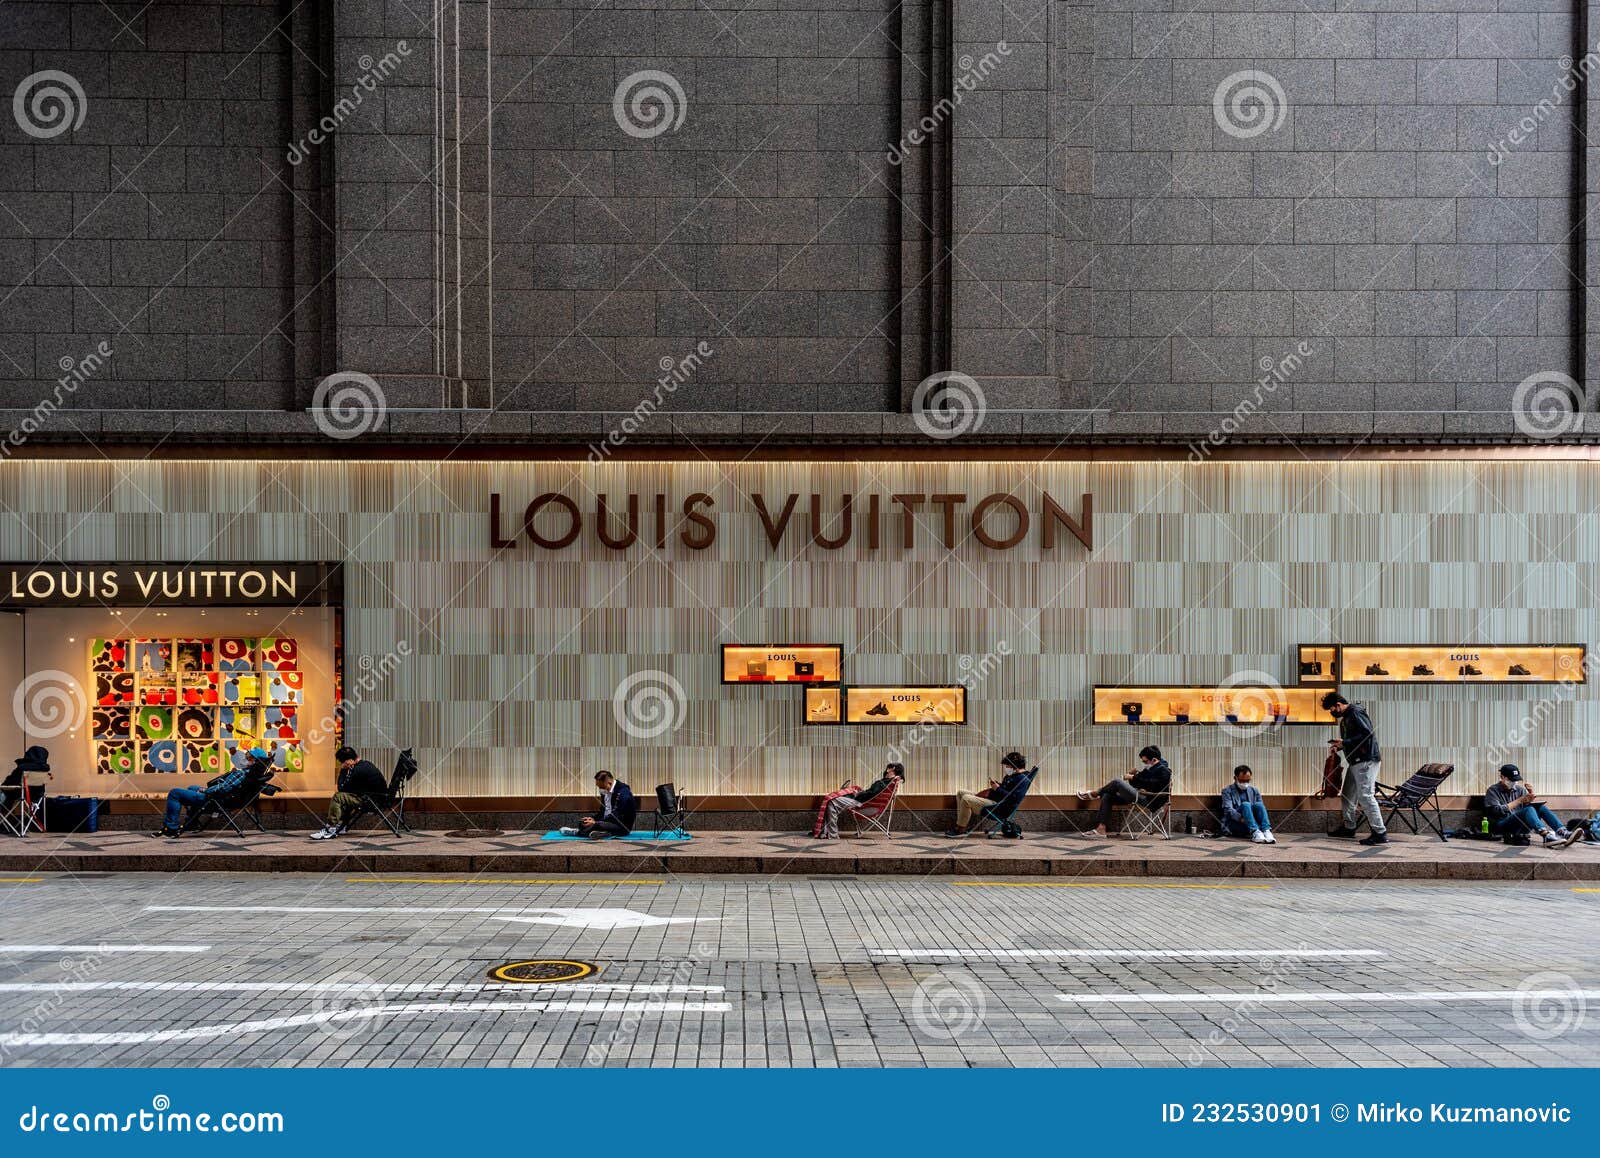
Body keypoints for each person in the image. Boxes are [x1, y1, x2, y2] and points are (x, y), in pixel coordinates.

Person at [152, 746, 267, 838]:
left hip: (215, 800)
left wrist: (206, 791)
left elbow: (223, 788)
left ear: (255, 761)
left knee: (174, 793)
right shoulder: (253, 776)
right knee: (192, 787)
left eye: (249, 757)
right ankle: (192, 823)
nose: (245, 758)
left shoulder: (241, 774)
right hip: (228, 799)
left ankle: (171, 828)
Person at [1323, 691, 1388, 845]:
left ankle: (1380, 832)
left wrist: (1344, 742)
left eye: (1332, 709)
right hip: (1356, 761)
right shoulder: (1347, 717)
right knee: (1347, 796)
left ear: (1338, 705)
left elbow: (1367, 734)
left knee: (1365, 795)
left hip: (1365, 760)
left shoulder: (1355, 713)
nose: (1332, 713)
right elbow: (1355, 739)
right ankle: (1349, 827)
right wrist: (1339, 746)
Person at [1077, 745, 1172, 837]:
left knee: (1117, 782)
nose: (1144, 764)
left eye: (1145, 761)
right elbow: (1137, 784)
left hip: (1150, 800)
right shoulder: (1152, 768)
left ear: (1154, 760)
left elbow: (1151, 785)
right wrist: (1132, 776)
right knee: (1107, 796)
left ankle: (1095, 793)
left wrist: (1134, 777)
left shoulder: (1164, 771)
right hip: (1140, 795)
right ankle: (1101, 829)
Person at [1484, 764, 1582, 847]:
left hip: (1519, 825)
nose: (1514, 783)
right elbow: (1496, 811)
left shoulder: (1520, 790)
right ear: (1502, 777)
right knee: (1528, 810)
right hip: (1503, 825)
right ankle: (1545, 835)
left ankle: (1562, 832)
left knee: (1539, 807)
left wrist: (1530, 795)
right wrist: (1519, 800)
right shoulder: (1493, 790)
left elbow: (1528, 809)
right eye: (1512, 780)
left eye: (1516, 780)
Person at [946, 751, 1033, 837]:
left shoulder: (1023, 779)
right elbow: (1006, 789)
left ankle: (961, 828)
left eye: (1007, 765)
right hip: (994, 799)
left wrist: (997, 788)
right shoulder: (1012, 775)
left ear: (1015, 765)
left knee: (966, 798)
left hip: (999, 807)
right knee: (961, 793)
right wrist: (998, 785)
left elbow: (1014, 798)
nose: (1006, 768)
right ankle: (961, 823)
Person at [310, 746, 388, 840]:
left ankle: (330, 828)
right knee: (346, 797)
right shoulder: (365, 764)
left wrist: (343, 771)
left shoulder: (357, 770)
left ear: (349, 760)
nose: (342, 764)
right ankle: (341, 825)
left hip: (370, 801)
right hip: (375, 798)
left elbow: (342, 788)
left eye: (342, 762)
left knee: (338, 797)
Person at [814, 763, 903, 839]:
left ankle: (831, 834)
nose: (886, 769)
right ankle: (825, 832)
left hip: (863, 805)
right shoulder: (890, 782)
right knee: (833, 800)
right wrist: (860, 793)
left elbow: (871, 794)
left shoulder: (884, 782)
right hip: (870, 805)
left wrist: (857, 794)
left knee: (831, 801)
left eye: (888, 767)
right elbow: (873, 794)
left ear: (892, 769)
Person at [561, 770, 639, 839]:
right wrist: (593, 819)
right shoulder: (605, 792)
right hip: (606, 822)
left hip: (621, 826)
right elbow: (602, 811)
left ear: (609, 783)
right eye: (598, 787)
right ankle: (605, 833)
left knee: (596, 825)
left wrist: (596, 822)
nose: (600, 789)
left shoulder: (623, 792)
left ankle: (577, 832)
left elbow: (617, 815)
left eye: (601, 786)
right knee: (583, 822)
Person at [1219, 764, 1275, 843]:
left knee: (1259, 805)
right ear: (1235, 778)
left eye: (1247, 781)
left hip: (1252, 822)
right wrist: (1242, 819)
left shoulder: (1254, 790)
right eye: (1242, 781)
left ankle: (1266, 830)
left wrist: (1251, 820)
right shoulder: (1227, 791)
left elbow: (1260, 811)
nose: (1245, 783)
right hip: (1237, 823)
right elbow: (1228, 810)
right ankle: (1255, 832)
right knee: (1246, 804)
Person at [1, 745, 50, 824]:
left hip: (18, 795)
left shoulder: (22, 768)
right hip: (36, 798)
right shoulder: (45, 770)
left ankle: (5, 821)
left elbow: (8, 783)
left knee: (3, 793)